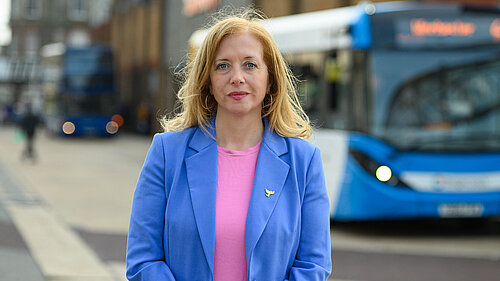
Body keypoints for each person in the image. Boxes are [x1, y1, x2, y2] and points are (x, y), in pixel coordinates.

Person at [126, 9, 332, 281]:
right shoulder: (167, 153)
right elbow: (143, 259)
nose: (237, 77)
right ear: (208, 81)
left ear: (270, 80)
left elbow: (313, 265)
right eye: (223, 65)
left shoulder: (304, 161)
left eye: (250, 64)